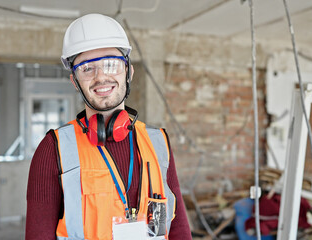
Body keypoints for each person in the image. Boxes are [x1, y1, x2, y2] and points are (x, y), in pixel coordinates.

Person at [26, 13, 192, 240]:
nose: (101, 76)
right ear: (75, 81)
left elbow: (179, 229)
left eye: (111, 64)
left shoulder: (159, 143)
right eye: (87, 68)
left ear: (129, 72)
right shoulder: (53, 150)